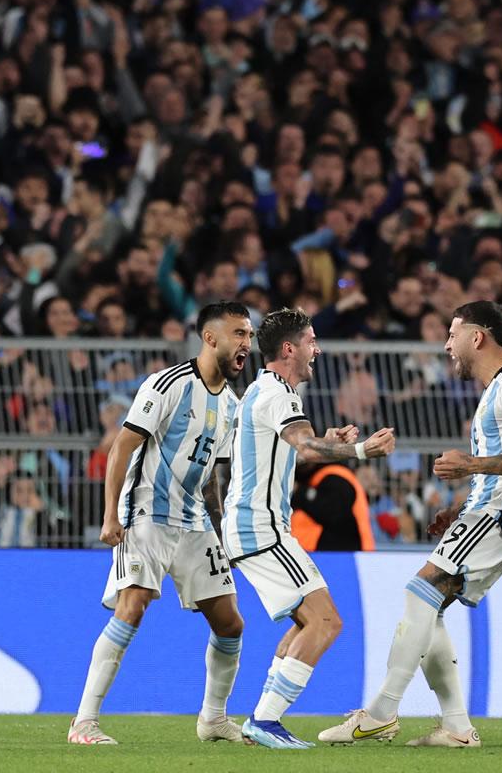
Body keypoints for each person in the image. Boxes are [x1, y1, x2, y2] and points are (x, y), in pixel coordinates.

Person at [318, 301, 502, 748]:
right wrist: (461, 503)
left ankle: (382, 712)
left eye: (453, 334)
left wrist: (470, 465)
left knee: (419, 591)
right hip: (486, 507)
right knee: (430, 606)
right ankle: (457, 727)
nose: (447, 344)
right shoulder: (497, 389)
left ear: (477, 337)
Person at [69, 301, 253, 745]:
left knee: (230, 624)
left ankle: (213, 720)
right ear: (210, 339)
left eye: (248, 335)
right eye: (238, 334)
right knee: (133, 605)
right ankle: (84, 722)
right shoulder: (168, 383)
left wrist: (219, 525)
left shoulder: (230, 403)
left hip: (193, 521)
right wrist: (111, 514)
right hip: (147, 512)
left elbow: (211, 474)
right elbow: (121, 447)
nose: (246, 344)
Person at [221, 307, 395, 750]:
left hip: (254, 526)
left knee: (306, 622)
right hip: (261, 528)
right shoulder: (278, 394)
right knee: (326, 621)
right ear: (288, 348)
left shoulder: (264, 392)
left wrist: (330, 444)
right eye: (311, 341)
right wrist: (358, 451)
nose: (317, 350)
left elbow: (296, 451)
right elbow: (300, 441)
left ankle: (261, 720)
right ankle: (264, 721)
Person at [291, 462, 375, 551]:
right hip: (317, 554)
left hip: (338, 556)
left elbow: (331, 512)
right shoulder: (324, 475)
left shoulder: (336, 476)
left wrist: (300, 491)